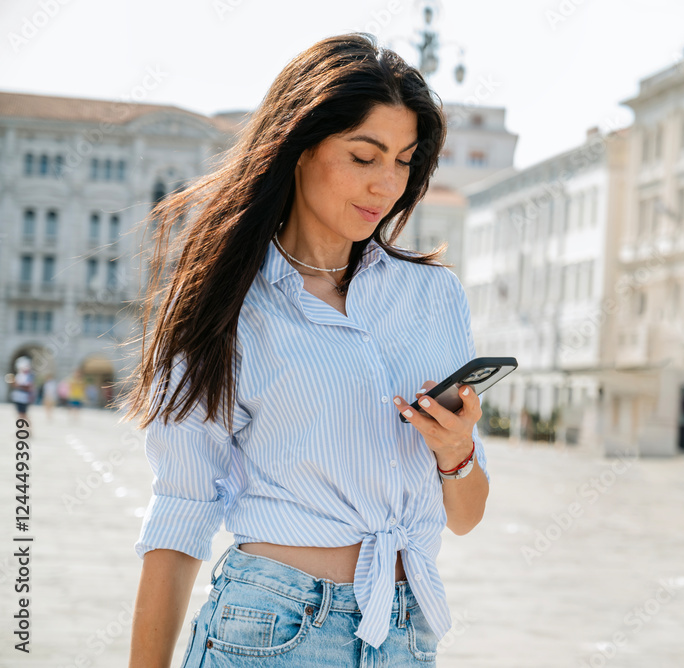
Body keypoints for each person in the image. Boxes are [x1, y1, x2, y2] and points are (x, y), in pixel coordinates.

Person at [123, 34, 490, 668]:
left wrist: (456, 454)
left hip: (407, 633)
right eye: (363, 156)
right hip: (272, 627)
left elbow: (466, 517)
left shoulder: (434, 296)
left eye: (404, 162)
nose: (386, 185)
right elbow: (182, 508)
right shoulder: (228, 303)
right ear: (299, 148)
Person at [10, 357, 34, 421]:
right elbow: (15, 385)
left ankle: (27, 426)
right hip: (18, 397)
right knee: (20, 414)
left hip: (24, 398)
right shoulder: (19, 375)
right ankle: (23, 426)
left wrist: (18, 385)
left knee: (23, 414)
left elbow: (28, 387)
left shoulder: (29, 376)